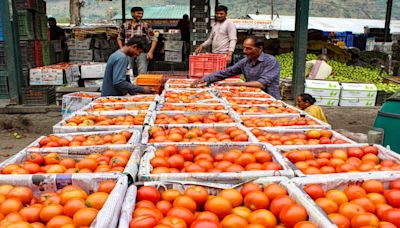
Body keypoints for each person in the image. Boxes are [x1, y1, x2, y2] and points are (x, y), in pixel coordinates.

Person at [191, 36, 281, 99]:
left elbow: (261, 84)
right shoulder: (245, 62)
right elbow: (226, 72)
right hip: (253, 97)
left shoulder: (271, 61)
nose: (245, 51)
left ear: (260, 48)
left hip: (270, 99)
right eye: (244, 48)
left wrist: (234, 84)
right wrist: (206, 79)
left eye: (249, 48)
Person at [118, 7, 157, 75]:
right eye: (138, 13)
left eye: (142, 13)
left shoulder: (145, 25)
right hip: (128, 52)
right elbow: (119, 38)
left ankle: (141, 85)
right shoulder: (125, 25)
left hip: (142, 52)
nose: (140, 15)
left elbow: (154, 39)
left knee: (142, 72)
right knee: (128, 72)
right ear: (132, 13)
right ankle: (129, 85)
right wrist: (122, 50)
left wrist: (150, 52)